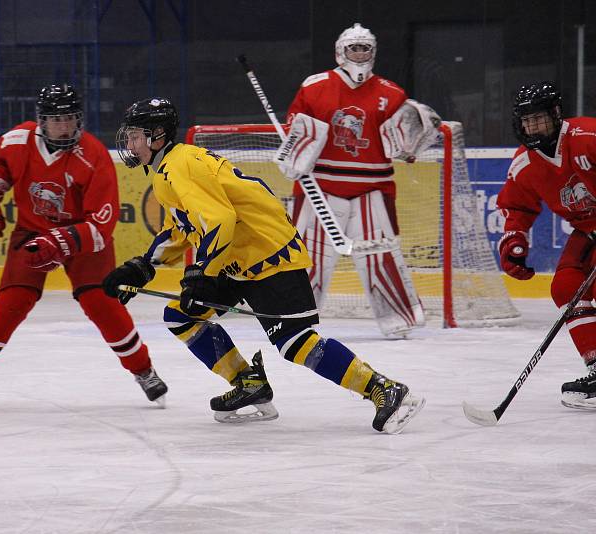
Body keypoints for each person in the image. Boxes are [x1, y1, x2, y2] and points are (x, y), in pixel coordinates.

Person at [102, 97, 424, 433]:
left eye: (136, 135)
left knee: (296, 343)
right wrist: (142, 267)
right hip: (239, 256)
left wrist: (201, 275)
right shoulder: (169, 169)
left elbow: (220, 220)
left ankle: (383, 389)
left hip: (269, 254)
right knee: (181, 315)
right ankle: (248, 382)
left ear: (157, 136)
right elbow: (186, 228)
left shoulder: (178, 166)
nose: (130, 143)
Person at [0, 84, 167, 410]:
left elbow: (101, 225)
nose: (63, 126)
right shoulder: (17, 140)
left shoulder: (94, 156)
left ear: (80, 120)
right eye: (55, 119)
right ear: (41, 121)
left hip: (83, 240)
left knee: (102, 303)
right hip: (32, 232)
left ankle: (143, 370)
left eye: (70, 118)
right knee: (11, 302)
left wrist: (62, 240)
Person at [284, 22, 440, 337]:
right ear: (341, 51)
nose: (359, 53)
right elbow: (294, 130)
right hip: (320, 187)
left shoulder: (391, 93)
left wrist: (411, 142)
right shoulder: (315, 86)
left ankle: (399, 319)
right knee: (306, 256)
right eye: (354, 47)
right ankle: (293, 316)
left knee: (379, 254)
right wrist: (297, 146)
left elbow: (403, 141)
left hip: (372, 188)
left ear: (373, 52)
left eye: (364, 48)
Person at [496, 81, 596, 409]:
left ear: (555, 114)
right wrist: (514, 242)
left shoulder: (586, 137)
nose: (532, 127)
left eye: (538, 119)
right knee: (565, 287)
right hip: (587, 232)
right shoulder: (525, 163)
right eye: (526, 121)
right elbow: (517, 208)